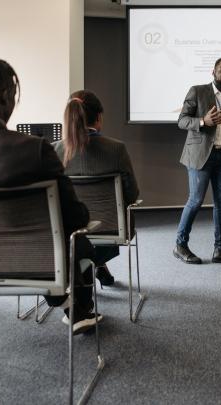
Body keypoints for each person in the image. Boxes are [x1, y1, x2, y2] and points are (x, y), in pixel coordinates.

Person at [0, 55, 101, 334]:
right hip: (35, 265)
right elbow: (75, 218)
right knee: (82, 243)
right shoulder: (36, 150)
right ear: (6, 96)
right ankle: (75, 306)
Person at [53, 90, 139, 286]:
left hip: (68, 230)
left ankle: (92, 264)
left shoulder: (55, 150)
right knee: (108, 224)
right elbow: (132, 195)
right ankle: (95, 263)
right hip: (112, 227)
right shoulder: (116, 149)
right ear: (99, 117)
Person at [173, 57, 221, 265]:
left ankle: (220, 249)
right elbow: (181, 120)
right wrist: (202, 121)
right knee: (195, 200)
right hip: (200, 154)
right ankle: (180, 245)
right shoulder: (197, 91)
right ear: (212, 72)